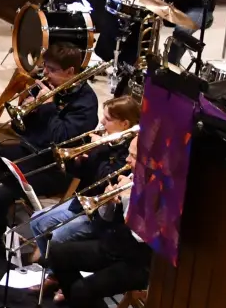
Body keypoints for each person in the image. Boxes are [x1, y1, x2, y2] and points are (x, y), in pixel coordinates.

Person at [0, 41, 99, 249]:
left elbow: (61, 139)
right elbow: (22, 130)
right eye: (45, 66)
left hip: (55, 167)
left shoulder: (86, 102)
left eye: (52, 70)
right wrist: (28, 112)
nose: (45, 73)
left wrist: (48, 108)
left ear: (70, 71)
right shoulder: (48, 86)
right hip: (28, 151)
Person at [44, 137, 151, 308]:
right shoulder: (133, 178)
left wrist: (126, 201)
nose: (127, 160)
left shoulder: (159, 189)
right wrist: (108, 204)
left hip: (140, 260)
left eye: (133, 156)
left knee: (83, 290)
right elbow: (106, 220)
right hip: (114, 245)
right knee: (59, 254)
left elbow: (143, 236)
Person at [23, 95, 141, 264]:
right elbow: (84, 176)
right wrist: (77, 162)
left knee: (54, 237)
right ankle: (48, 269)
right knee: (36, 220)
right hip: (82, 201)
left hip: (100, 216)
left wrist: (98, 150)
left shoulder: (129, 150)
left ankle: (52, 275)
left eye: (108, 119)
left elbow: (107, 180)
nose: (102, 122)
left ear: (124, 124)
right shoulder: (107, 144)